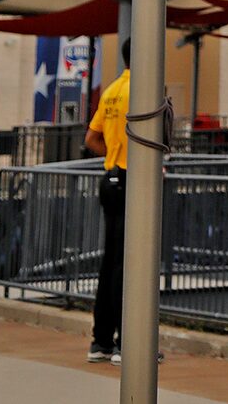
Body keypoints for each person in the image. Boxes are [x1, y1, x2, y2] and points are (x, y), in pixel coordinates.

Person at [84, 36, 130, 361]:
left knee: (110, 260)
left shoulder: (112, 91)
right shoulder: (142, 91)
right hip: (133, 182)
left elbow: (91, 138)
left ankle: (100, 341)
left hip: (110, 179)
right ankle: (126, 344)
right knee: (130, 265)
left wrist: (112, 156)